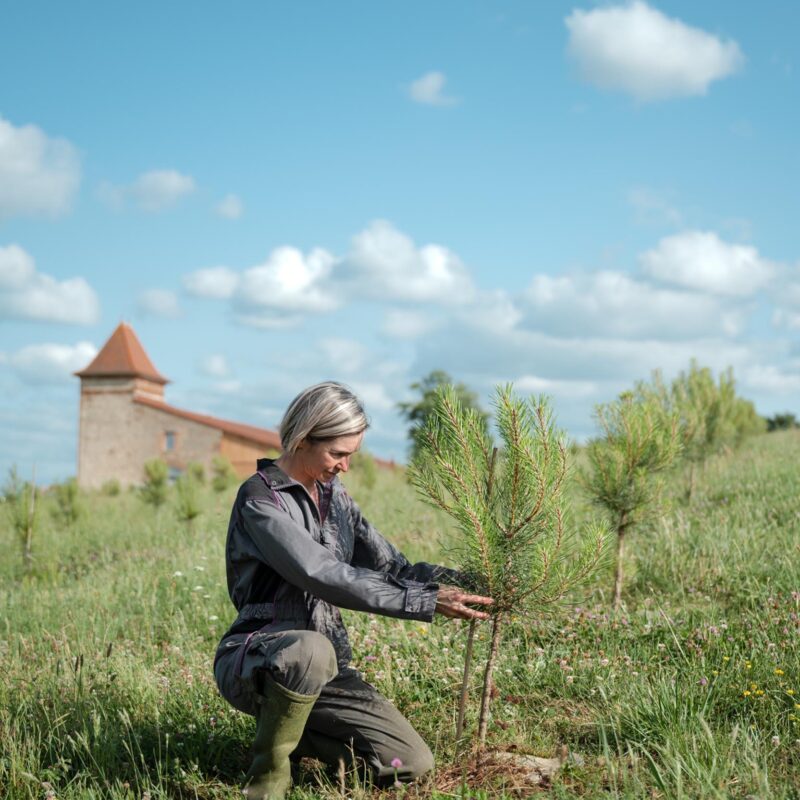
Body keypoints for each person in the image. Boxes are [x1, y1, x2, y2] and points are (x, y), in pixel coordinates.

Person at [213, 381, 492, 800]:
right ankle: (266, 781)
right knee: (310, 650)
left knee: (410, 764)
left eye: (351, 455)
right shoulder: (260, 500)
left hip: (330, 671)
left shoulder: (334, 497)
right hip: (260, 658)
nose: (345, 466)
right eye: (338, 454)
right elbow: (321, 573)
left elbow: (393, 567)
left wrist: (475, 583)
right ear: (303, 439)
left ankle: (292, 734)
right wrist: (424, 602)